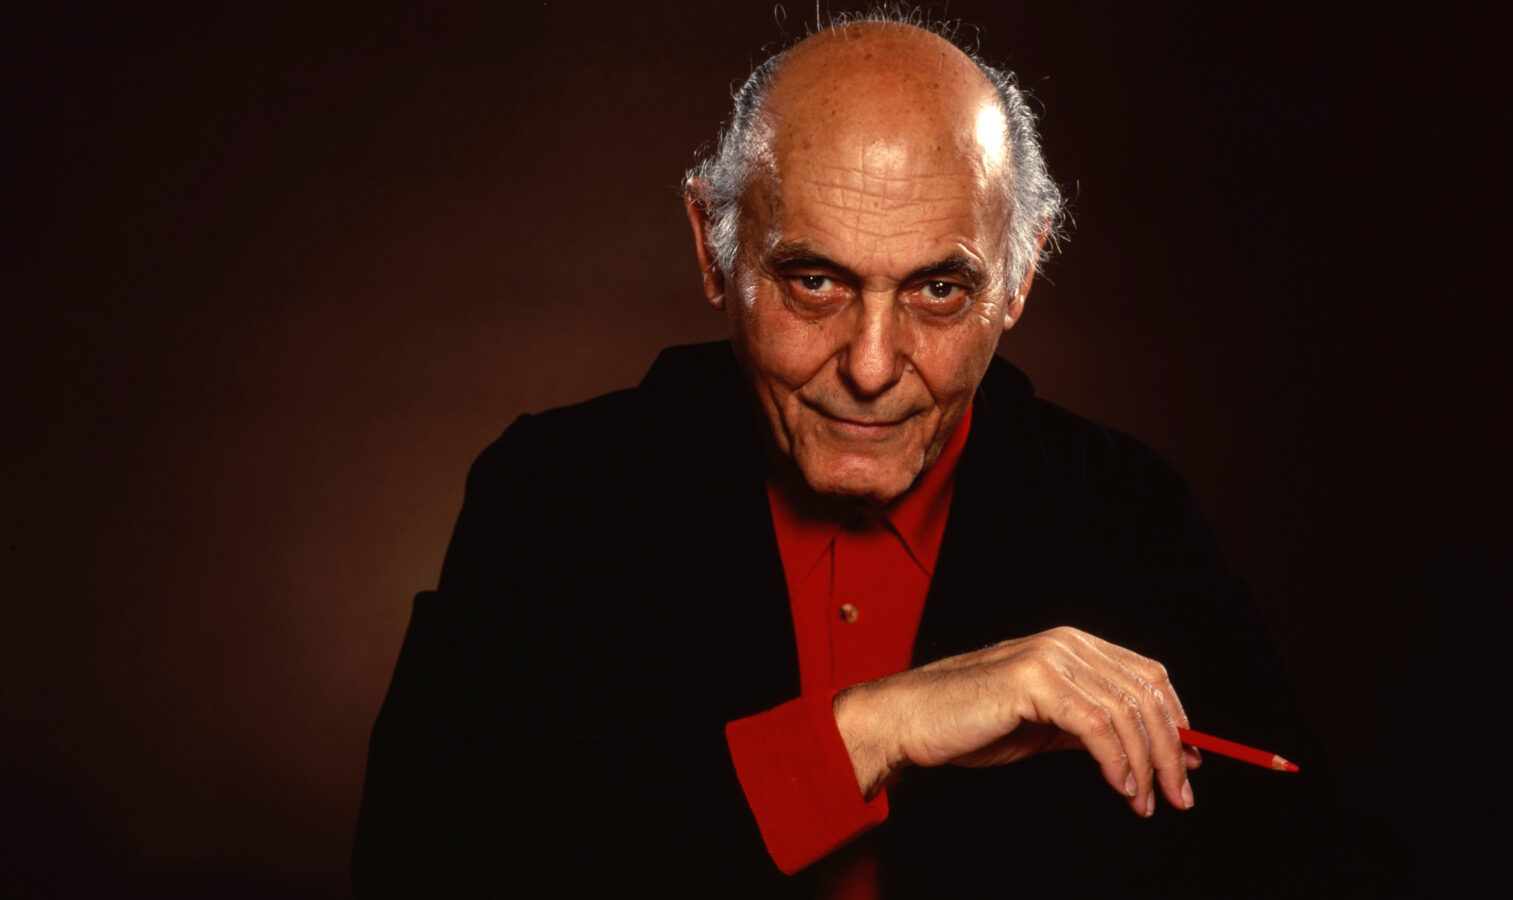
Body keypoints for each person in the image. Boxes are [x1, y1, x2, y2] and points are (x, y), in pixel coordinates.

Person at [354, 15, 1343, 898]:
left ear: (1020, 273)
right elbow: (424, 869)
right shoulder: (551, 492)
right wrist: (875, 731)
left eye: (939, 291)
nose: (871, 368)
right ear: (712, 248)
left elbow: (1297, 860)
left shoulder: (1133, 516)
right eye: (815, 281)